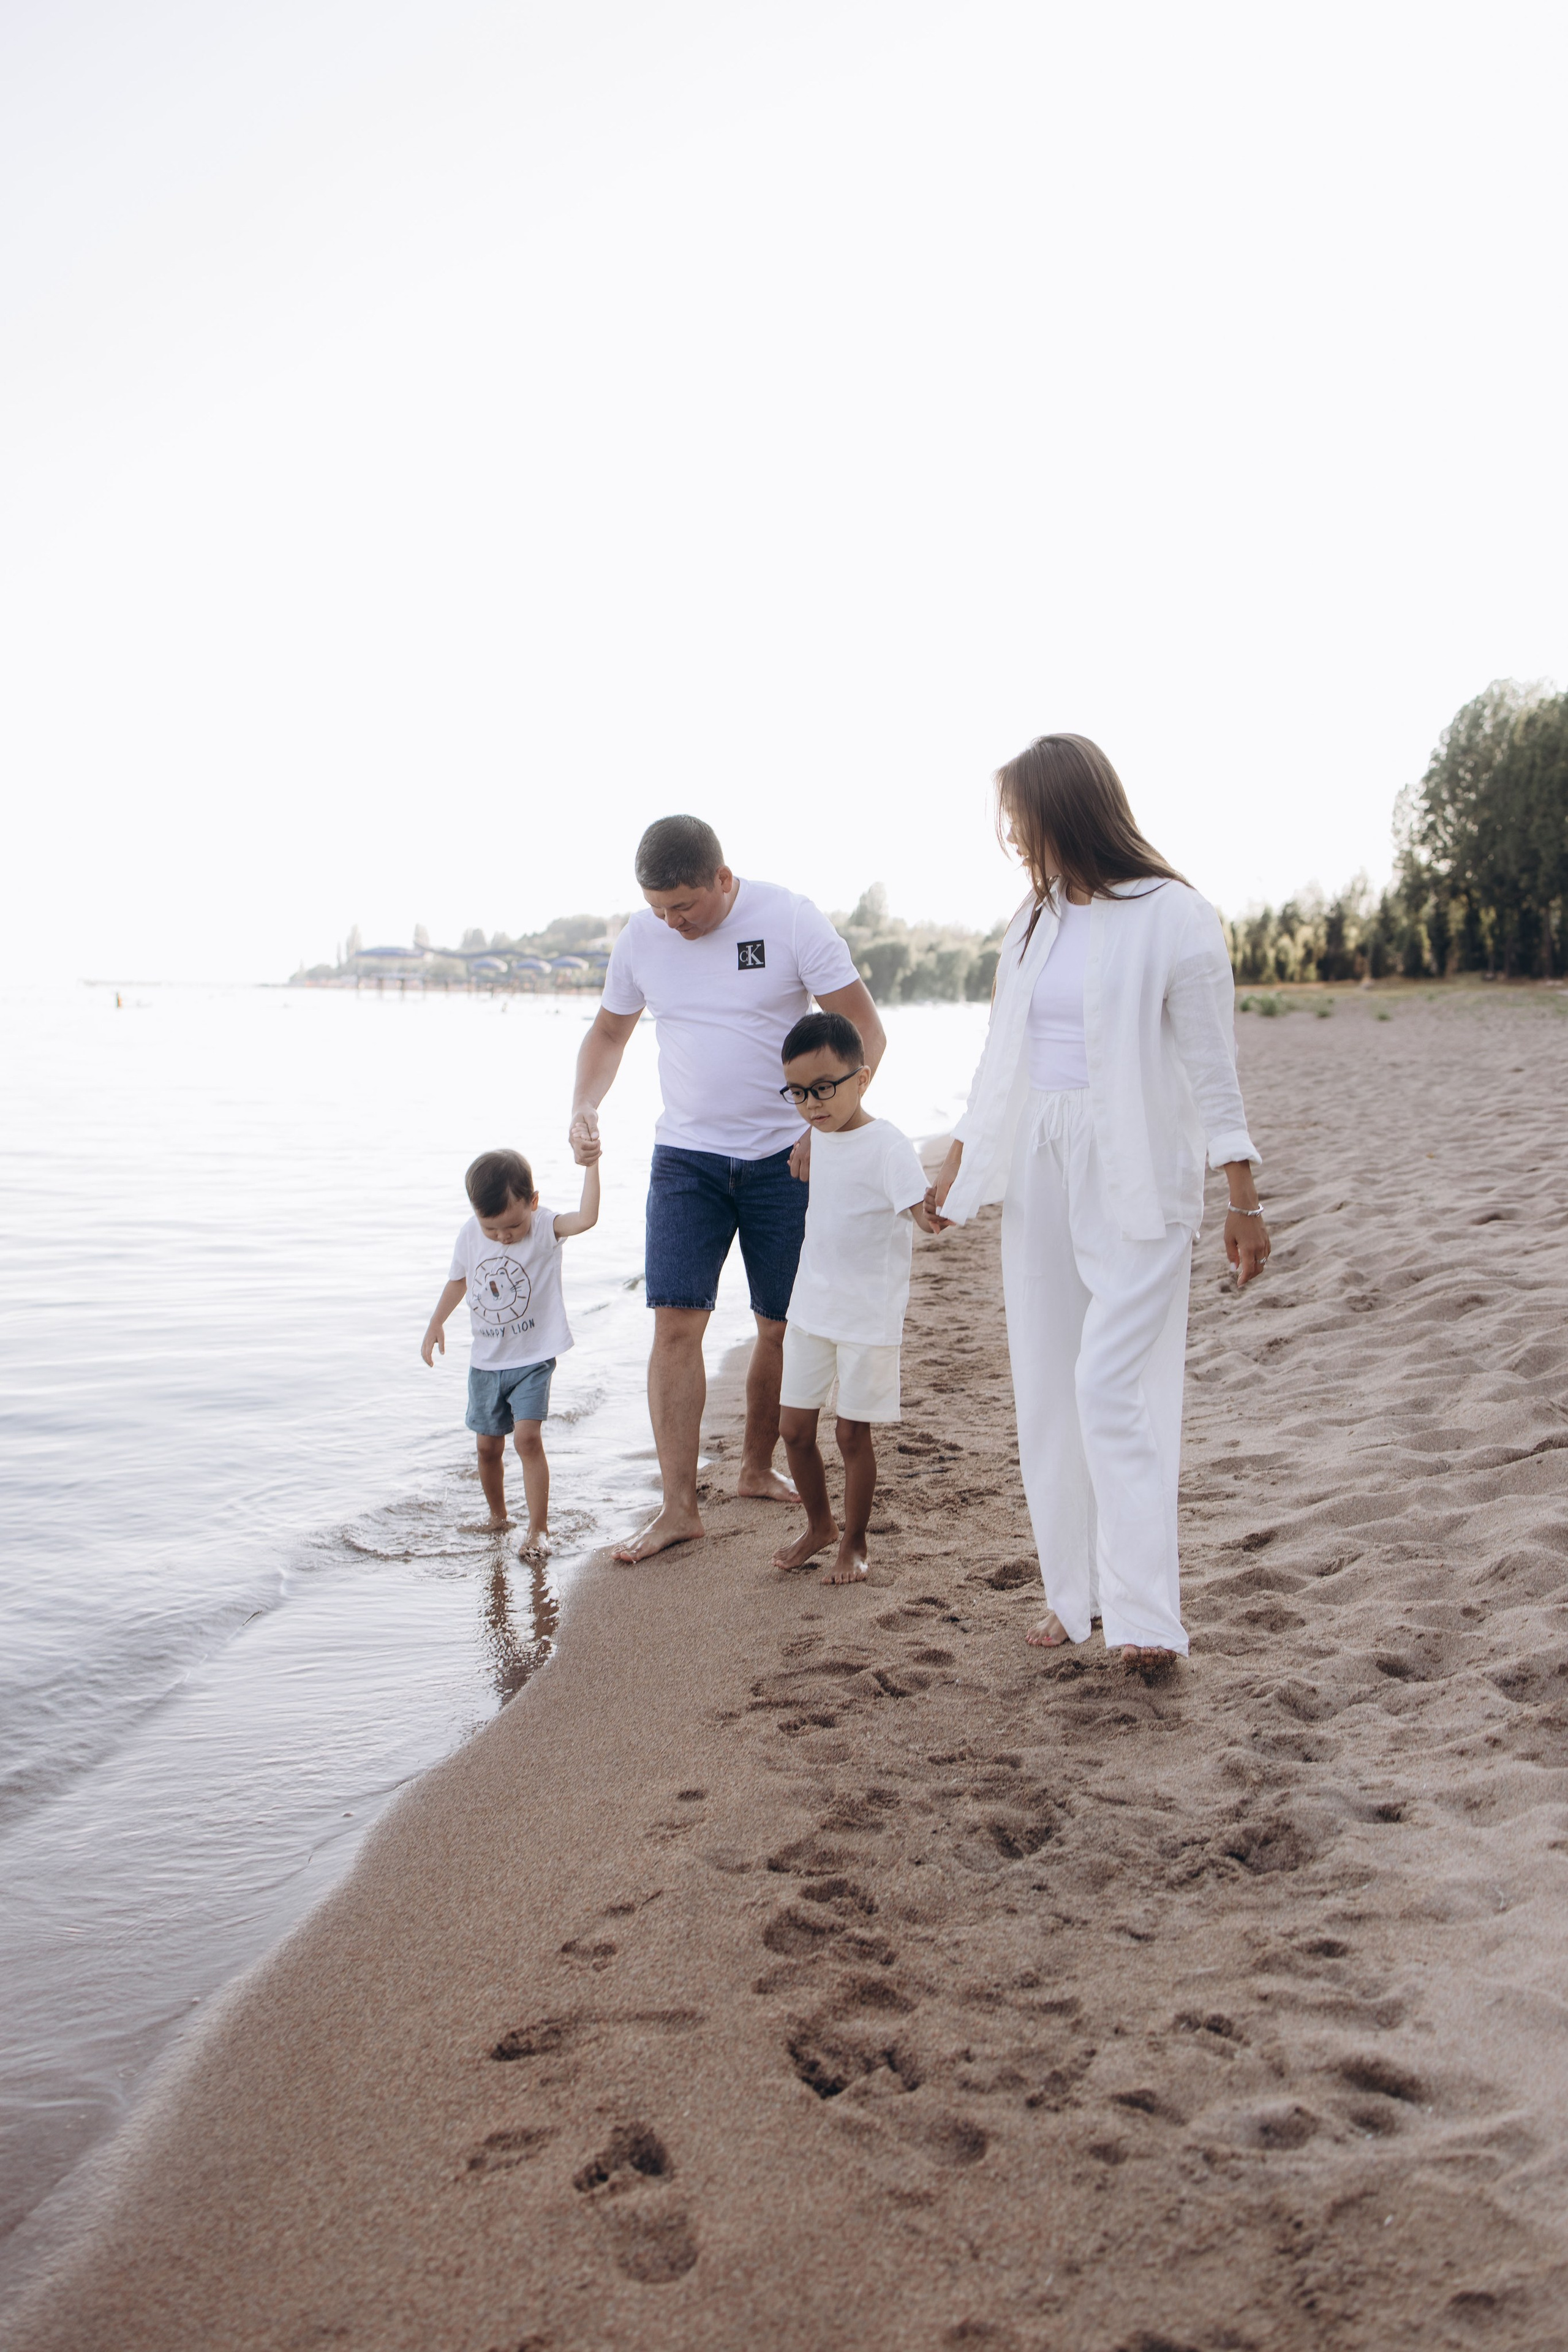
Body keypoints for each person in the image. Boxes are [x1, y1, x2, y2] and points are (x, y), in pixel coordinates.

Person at [929, 733, 1267, 1665]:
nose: (1010, 834)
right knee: (1046, 1387)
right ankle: (1072, 1599)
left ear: (1062, 813)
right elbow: (1004, 1058)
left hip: (1137, 1172)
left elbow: (1211, 1067)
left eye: (1019, 818)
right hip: (1042, 1158)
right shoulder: (1033, 918)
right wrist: (959, 1171)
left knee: (1110, 1385)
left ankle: (1149, 1620)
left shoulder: (1175, 914)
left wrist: (1242, 1197)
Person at [570, 815, 885, 1563]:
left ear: (721, 877)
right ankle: (678, 1509)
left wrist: (828, 1120)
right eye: (658, 909)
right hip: (686, 1159)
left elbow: (864, 1027)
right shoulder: (642, 939)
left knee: (779, 1325)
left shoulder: (787, 918)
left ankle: (752, 1467)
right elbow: (610, 1033)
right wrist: (584, 1104)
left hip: (787, 1155)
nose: (673, 923)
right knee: (675, 1324)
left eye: (685, 906)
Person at [771, 1010, 937, 1585]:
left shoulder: (889, 1145)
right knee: (793, 1428)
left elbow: (921, 1210)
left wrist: (936, 1208)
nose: (813, 1104)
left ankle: (857, 1541)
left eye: (824, 1089)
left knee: (850, 1434)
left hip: (868, 1314)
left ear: (862, 1080)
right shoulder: (816, 1138)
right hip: (812, 1307)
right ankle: (820, 1525)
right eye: (798, 1093)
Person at [421, 1145, 601, 1558]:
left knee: (527, 1439)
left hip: (533, 1359)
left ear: (533, 1203)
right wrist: (436, 1322)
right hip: (486, 1363)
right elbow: (458, 1281)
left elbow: (587, 1218)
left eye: (512, 1227)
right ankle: (498, 1517)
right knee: (487, 1448)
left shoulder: (543, 1227)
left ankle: (539, 1530)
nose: (503, 1237)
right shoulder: (470, 1233)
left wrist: (591, 1166)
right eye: (492, 1230)